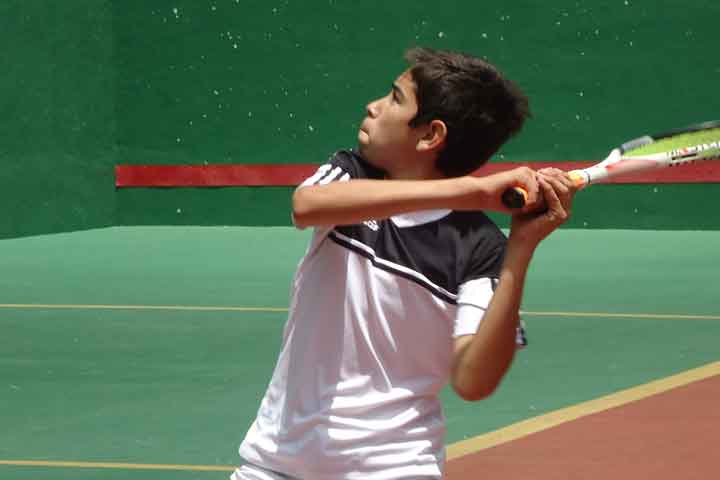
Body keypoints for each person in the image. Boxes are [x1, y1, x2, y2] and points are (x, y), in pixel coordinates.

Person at [233, 47, 577, 480]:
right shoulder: (351, 175)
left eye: (395, 98)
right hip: (275, 464)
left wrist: (520, 250)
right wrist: (471, 192)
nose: (373, 106)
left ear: (431, 135)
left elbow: (473, 381)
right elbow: (307, 206)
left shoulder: (480, 247)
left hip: (393, 468)